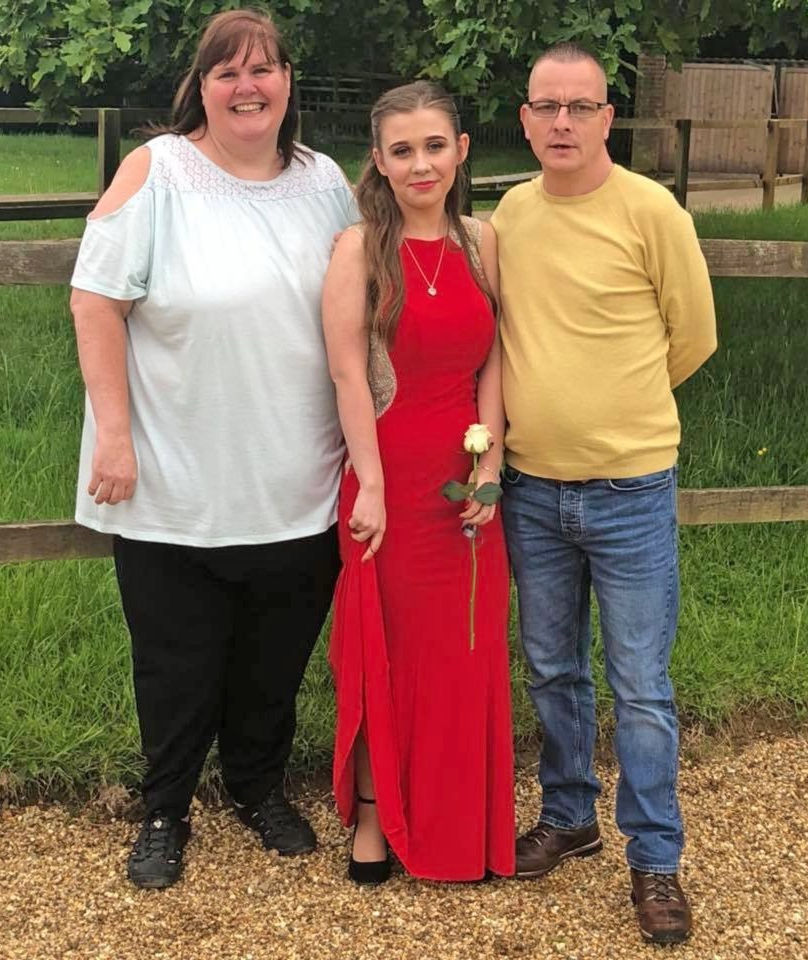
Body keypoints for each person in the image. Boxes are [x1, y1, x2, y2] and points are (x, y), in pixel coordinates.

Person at [69, 9, 357, 889]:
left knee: (275, 657)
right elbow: (95, 300)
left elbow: (358, 306)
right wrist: (113, 436)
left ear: (287, 83)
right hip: (176, 479)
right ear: (201, 85)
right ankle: (165, 809)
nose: (249, 87)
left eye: (265, 69)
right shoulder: (157, 172)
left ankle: (258, 787)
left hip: (297, 476)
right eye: (228, 72)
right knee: (177, 661)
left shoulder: (324, 182)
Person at [491, 43, 717, 943]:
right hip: (533, 490)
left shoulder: (651, 211)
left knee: (642, 685)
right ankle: (570, 813)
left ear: (608, 119)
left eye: (580, 107)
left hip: (628, 489)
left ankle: (655, 859)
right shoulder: (510, 212)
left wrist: (615, 410)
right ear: (524, 119)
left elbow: (691, 336)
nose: (562, 123)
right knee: (551, 667)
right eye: (547, 106)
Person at [321, 80, 515, 884]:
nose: (421, 163)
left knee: (464, 654)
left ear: (461, 149)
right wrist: (368, 482)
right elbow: (344, 374)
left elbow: (497, 353)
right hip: (388, 479)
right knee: (386, 654)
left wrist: (493, 461)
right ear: (379, 162)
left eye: (434, 145)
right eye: (402, 150)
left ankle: (457, 823)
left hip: (467, 482)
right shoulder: (357, 250)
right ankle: (374, 816)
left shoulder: (483, 239)